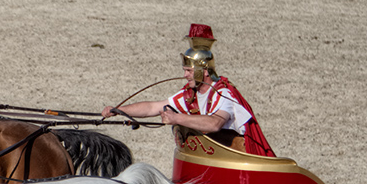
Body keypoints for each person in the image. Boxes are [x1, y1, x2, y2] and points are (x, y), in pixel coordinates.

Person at [101, 24, 275, 156]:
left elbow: (214, 124)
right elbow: (153, 108)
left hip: (237, 162)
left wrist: (177, 118)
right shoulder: (190, 94)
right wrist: (120, 110)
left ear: (204, 71)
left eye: (189, 71)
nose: (185, 75)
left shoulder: (223, 94)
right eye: (185, 70)